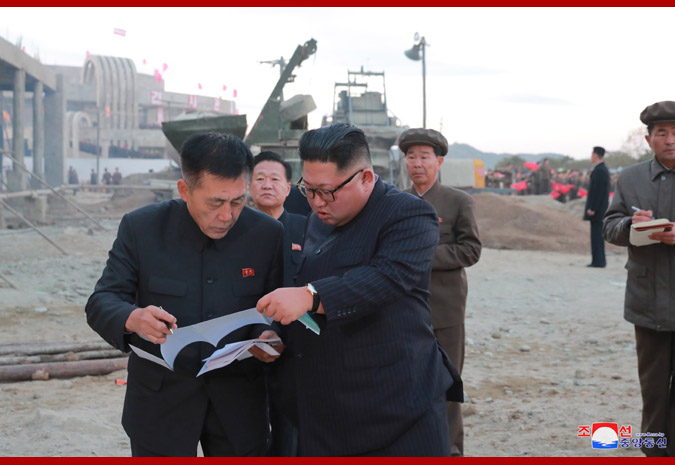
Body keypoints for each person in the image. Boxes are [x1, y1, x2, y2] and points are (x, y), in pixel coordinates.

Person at [255, 123, 462, 457]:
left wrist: (311, 297)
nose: (317, 202)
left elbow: (387, 277)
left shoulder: (409, 214)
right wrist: (276, 334)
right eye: (308, 190)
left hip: (397, 406)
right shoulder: (316, 217)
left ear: (365, 178)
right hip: (327, 408)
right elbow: (301, 282)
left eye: (327, 191)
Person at [85, 133, 284, 457]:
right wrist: (133, 318)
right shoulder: (142, 228)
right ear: (184, 190)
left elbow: (278, 310)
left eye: (237, 201)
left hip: (239, 404)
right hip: (160, 402)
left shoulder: (266, 234)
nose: (227, 215)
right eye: (215, 202)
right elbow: (102, 300)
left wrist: (272, 336)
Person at [398, 127, 482, 457]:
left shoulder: (459, 201)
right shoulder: (396, 199)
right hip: (403, 308)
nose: (417, 163)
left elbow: (470, 250)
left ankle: (450, 451)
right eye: (411, 156)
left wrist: (423, 257)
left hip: (444, 309)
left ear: (439, 160)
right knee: (406, 383)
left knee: (446, 385)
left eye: (424, 156)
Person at [603, 100, 675, 457]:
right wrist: (634, 225)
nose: (670, 139)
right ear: (649, 139)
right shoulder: (630, 179)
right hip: (648, 302)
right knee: (654, 391)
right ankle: (655, 452)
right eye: (662, 133)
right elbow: (610, 226)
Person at [248, 150, 306, 456]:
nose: (266, 185)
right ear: (248, 185)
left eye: (275, 179)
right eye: (259, 178)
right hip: (247, 341)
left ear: (288, 187)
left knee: (290, 430)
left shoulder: (306, 228)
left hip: (295, 342)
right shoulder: (236, 229)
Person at [583, 146, 610, 268]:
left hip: (597, 210)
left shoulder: (600, 171)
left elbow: (598, 192)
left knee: (597, 236)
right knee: (597, 236)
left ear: (595, 155)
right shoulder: (601, 170)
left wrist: (592, 208)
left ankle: (598, 261)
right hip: (600, 209)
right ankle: (598, 260)